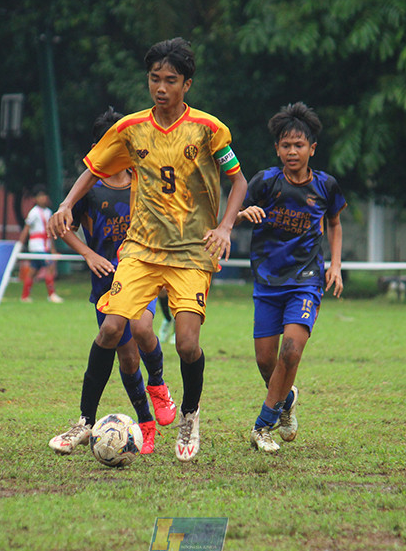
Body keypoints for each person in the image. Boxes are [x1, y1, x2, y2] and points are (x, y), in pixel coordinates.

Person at [47, 37, 249, 462]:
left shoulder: (209, 130)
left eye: (170, 80)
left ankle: (190, 416)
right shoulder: (130, 128)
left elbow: (239, 182)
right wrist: (66, 204)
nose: (160, 87)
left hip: (192, 251)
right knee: (110, 329)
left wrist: (226, 226)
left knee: (188, 345)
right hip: (140, 249)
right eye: (154, 78)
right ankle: (84, 422)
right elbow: (92, 169)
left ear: (186, 85)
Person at [48, 108, 177, 456]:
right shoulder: (89, 191)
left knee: (141, 327)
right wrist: (88, 254)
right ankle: (144, 424)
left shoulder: (145, 180)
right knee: (125, 356)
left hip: (141, 274)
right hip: (105, 283)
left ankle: (156, 386)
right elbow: (62, 227)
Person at [236, 103, 346, 453]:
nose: (292, 151)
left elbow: (335, 224)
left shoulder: (326, 185)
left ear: (312, 148)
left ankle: (262, 426)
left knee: (292, 350)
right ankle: (287, 400)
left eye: (299, 145)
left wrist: (336, 265)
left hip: (306, 280)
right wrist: (244, 213)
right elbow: (232, 217)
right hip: (267, 282)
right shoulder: (265, 182)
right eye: (286, 145)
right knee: (266, 361)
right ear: (277, 149)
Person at [18, 185, 63, 303]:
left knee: (33, 271)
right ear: (35, 199)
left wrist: (52, 249)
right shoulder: (34, 212)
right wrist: (19, 244)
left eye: (44, 195)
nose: (43, 198)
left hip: (45, 245)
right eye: (40, 196)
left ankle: (25, 296)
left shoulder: (48, 212)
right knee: (50, 267)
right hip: (37, 246)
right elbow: (26, 229)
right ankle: (52, 295)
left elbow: (50, 233)